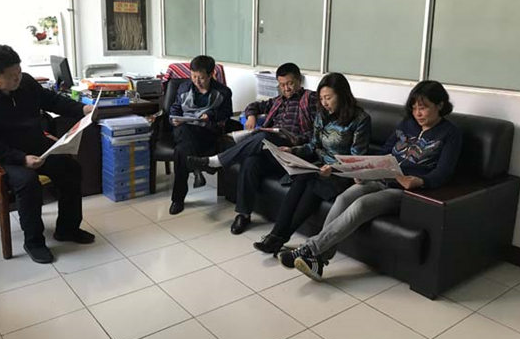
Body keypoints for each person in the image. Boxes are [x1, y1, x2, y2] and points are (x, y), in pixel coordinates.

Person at [278, 80, 462, 280]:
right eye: (414, 108)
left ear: (440, 105)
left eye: (423, 108)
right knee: (343, 198)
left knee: (362, 205)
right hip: (381, 178)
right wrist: (364, 170)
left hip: (406, 190)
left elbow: (443, 172)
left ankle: (309, 249)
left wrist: (419, 181)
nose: (418, 113)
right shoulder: (407, 124)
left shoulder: (450, 133)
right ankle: (318, 259)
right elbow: (384, 152)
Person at [0, 45, 95, 264]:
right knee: (27, 181)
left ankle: (67, 229)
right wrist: (21, 159)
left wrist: (81, 109)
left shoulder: (25, 83)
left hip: (34, 148)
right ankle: (34, 242)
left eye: (19, 72)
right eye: (11, 76)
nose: (17, 79)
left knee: (70, 168)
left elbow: (52, 100)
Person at [188, 62, 317, 234]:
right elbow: (253, 106)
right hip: (273, 150)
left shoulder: (311, 99)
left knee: (263, 136)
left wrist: (294, 139)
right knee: (251, 161)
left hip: (293, 150)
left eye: (290, 84)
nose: (286, 89)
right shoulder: (278, 101)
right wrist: (251, 117)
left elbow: (316, 133)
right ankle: (243, 214)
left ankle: (216, 161)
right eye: (282, 85)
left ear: (299, 81)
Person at [253, 72, 370, 255]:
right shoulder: (322, 115)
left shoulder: (360, 119)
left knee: (313, 185)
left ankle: (280, 238)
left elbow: (357, 158)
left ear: (342, 95)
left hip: (341, 173)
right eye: (322, 98)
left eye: (328, 98)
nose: (324, 103)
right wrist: (292, 151)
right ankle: (275, 235)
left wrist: (333, 168)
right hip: (318, 165)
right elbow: (313, 145)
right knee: (300, 178)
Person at [168, 55, 233, 215]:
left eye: (201, 78)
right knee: (185, 131)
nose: (196, 81)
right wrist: (174, 118)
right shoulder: (184, 87)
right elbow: (175, 108)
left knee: (181, 151)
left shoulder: (223, 92)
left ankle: (178, 199)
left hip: (206, 131)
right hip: (183, 128)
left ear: (211, 75)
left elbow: (227, 113)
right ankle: (197, 167)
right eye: (193, 76)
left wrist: (210, 115)